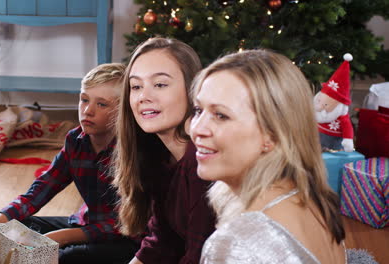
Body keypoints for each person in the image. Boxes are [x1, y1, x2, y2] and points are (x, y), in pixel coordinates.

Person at [0, 63, 140, 264]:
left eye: (102, 104)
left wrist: (62, 237)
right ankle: (11, 258)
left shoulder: (133, 152)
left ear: (122, 111)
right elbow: (38, 192)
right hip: (85, 224)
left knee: (73, 256)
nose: (87, 111)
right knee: (16, 226)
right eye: (84, 100)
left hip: (125, 239)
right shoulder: (76, 140)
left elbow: (125, 224)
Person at [189, 50, 347, 263]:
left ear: (272, 134)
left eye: (221, 115)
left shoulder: (238, 243)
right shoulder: (313, 200)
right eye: (199, 110)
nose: (197, 129)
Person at [112, 37, 216, 264]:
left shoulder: (202, 163)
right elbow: (162, 242)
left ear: (193, 90)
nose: (143, 97)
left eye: (160, 84)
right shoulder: (161, 157)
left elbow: (199, 259)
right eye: (136, 86)